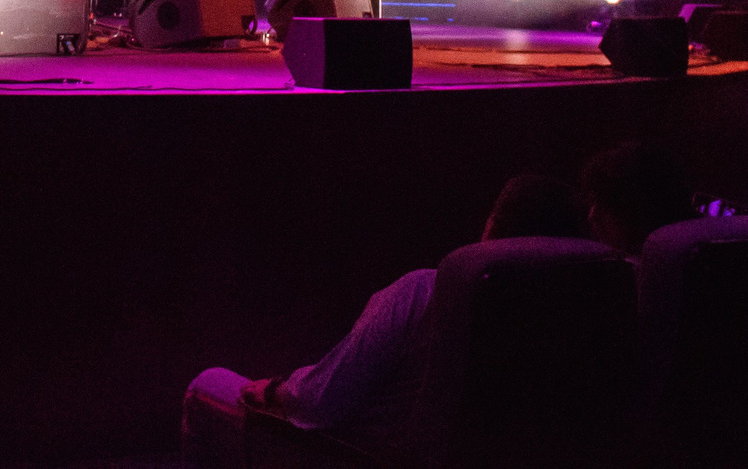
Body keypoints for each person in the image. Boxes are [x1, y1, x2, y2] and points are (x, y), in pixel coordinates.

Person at [179, 175, 582, 466]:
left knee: (207, 385)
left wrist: (276, 392)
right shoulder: (590, 306)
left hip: (368, 455)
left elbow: (318, 405)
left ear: (490, 227)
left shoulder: (425, 291)